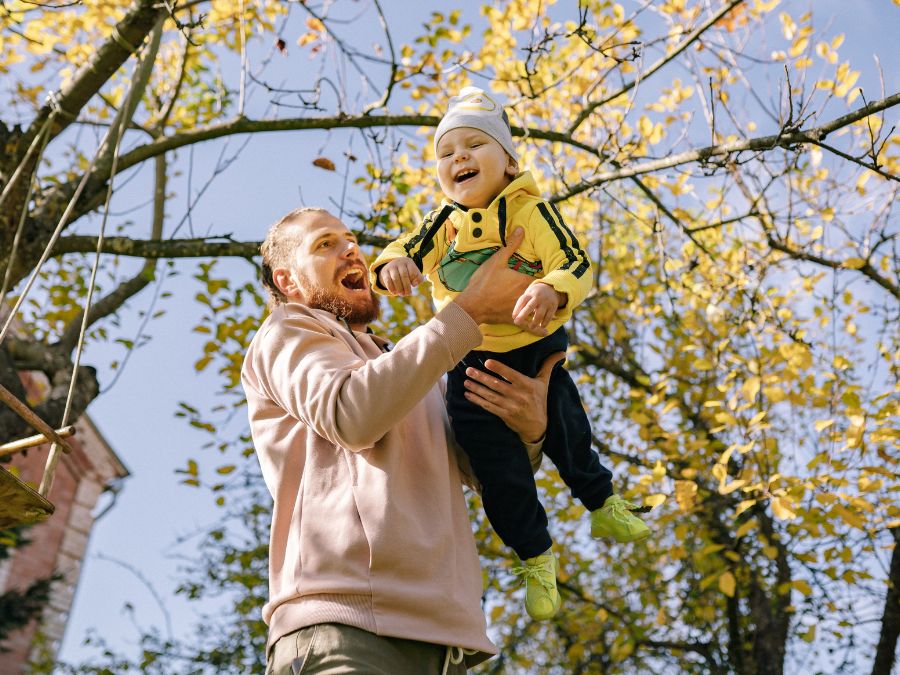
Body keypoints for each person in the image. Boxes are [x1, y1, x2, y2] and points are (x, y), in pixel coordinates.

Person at [242, 206, 564, 674]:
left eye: (349, 239)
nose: (350, 248)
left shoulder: (413, 367)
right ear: (288, 282)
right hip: (346, 630)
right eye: (324, 244)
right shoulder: (287, 331)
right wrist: (466, 311)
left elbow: (484, 470)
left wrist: (531, 429)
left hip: (447, 643)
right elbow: (352, 414)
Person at [370, 86, 650, 623]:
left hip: (534, 346)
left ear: (510, 160)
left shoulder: (532, 210)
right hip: (469, 360)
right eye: (448, 153)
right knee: (498, 471)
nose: (459, 159)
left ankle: (602, 501)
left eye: (475, 145)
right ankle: (536, 558)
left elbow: (574, 260)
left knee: (567, 424)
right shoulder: (441, 224)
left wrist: (553, 289)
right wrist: (391, 269)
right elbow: (401, 249)